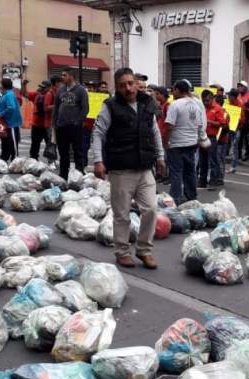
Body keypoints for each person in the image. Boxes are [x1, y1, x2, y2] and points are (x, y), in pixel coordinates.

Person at [91, 67, 165, 269]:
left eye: (131, 83)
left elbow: (155, 131)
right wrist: (98, 160)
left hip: (144, 168)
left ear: (136, 83)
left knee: (150, 209)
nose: (128, 88)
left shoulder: (147, 104)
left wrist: (160, 157)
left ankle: (144, 250)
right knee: (122, 214)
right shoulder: (110, 106)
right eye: (123, 85)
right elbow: (98, 134)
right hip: (121, 170)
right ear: (117, 87)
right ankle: (122, 251)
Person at [163, 79, 205, 204]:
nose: (172, 93)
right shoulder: (197, 105)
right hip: (192, 143)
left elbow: (169, 126)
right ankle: (191, 196)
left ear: (177, 90)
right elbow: (200, 124)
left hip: (177, 144)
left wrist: (165, 142)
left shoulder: (175, 105)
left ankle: (175, 198)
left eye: (173, 90)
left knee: (176, 172)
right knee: (190, 171)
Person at [53, 68, 89, 178]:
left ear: (71, 76)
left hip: (75, 127)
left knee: (78, 151)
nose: (62, 77)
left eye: (64, 75)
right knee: (63, 153)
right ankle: (63, 174)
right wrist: (54, 123)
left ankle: (79, 174)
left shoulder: (81, 90)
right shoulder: (60, 90)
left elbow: (85, 108)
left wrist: (77, 122)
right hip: (61, 126)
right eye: (62, 75)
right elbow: (56, 107)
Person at [200, 89, 228, 189]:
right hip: (202, 137)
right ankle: (202, 181)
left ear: (212, 99)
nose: (205, 102)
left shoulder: (218, 109)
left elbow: (223, 124)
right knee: (202, 160)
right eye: (203, 100)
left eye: (207, 100)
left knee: (213, 161)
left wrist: (210, 122)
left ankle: (213, 181)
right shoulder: (202, 107)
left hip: (211, 138)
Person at [0, 77, 22, 162]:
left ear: (4, 85)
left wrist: (1, 114)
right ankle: (4, 158)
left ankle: (15, 160)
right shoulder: (6, 94)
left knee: (12, 142)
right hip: (6, 123)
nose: (0, 86)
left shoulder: (9, 95)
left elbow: (11, 108)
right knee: (5, 142)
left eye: (1, 85)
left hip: (11, 123)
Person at [25, 80, 51, 160]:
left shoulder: (51, 95)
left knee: (50, 144)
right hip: (36, 124)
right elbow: (25, 94)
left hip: (47, 125)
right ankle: (33, 159)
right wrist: (24, 85)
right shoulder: (37, 94)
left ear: (48, 88)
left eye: (43, 87)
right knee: (35, 144)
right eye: (40, 87)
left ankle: (51, 160)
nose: (41, 89)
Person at [225, 88, 245, 173]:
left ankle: (233, 166)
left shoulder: (240, 105)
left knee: (234, 147)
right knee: (226, 146)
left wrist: (237, 118)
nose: (228, 97)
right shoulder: (227, 103)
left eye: (230, 95)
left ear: (234, 97)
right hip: (227, 128)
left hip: (236, 129)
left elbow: (243, 119)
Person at [236, 80, 249, 161]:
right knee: (239, 138)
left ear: (245, 87)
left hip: (247, 117)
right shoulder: (238, 96)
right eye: (239, 86)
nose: (239, 88)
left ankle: (247, 154)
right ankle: (239, 154)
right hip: (239, 117)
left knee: (246, 138)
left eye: (241, 86)